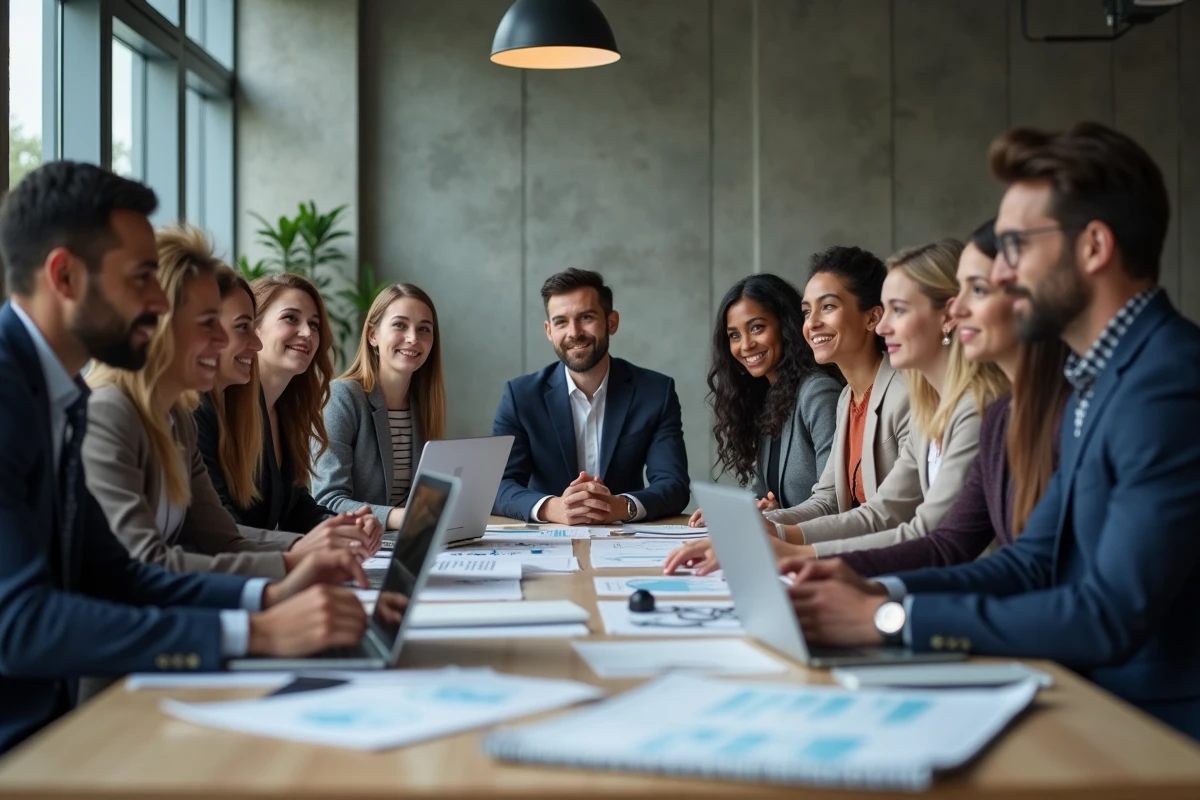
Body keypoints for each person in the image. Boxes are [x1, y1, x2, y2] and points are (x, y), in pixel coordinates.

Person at [785, 122, 1200, 740]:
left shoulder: (1167, 380)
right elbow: (1034, 561)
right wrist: (871, 585)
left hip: (1148, 727)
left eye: (1015, 247)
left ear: (1093, 247)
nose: (1000, 277)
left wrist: (889, 618)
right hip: (1081, 697)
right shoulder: (1103, 374)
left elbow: (1108, 614)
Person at [0, 162, 369, 755]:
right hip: (38, 743)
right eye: (143, 278)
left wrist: (271, 597)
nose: (157, 302)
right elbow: (18, 626)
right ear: (64, 276)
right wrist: (253, 629)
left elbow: (114, 573)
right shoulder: (28, 399)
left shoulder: (57, 396)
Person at [666, 239, 1009, 574]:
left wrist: (795, 551)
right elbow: (841, 502)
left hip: (939, 584)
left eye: (898, 310)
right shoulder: (864, 398)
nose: (811, 323)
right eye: (806, 311)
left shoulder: (948, 402)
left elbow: (912, 527)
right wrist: (767, 529)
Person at [83, 224, 377, 579]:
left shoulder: (179, 421)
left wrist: (316, 548)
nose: (249, 345)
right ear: (162, 322)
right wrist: (295, 562)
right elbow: (143, 563)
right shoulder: (106, 413)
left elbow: (222, 539)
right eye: (211, 324)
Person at [836, 220, 1070, 577]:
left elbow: (942, 543)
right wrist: (797, 554)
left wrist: (803, 557)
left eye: (977, 289)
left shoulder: (987, 409)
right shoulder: (995, 414)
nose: (882, 328)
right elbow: (946, 543)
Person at [690, 246, 910, 527]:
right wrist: (745, 516)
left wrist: (773, 528)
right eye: (807, 311)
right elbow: (827, 499)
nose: (813, 322)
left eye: (828, 306)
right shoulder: (845, 399)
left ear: (872, 317)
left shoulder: (834, 393)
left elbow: (888, 517)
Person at [491, 268, 689, 523]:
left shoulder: (655, 392)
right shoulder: (520, 397)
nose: (574, 332)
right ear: (549, 331)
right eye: (561, 321)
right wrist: (553, 508)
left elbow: (674, 485)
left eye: (586, 317)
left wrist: (621, 506)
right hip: (548, 541)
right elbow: (498, 485)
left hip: (626, 541)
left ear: (612, 322)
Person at [695, 274, 841, 516]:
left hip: (817, 548)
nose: (746, 345)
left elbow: (834, 501)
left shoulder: (818, 393)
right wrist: (728, 512)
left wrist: (777, 515)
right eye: (734, 335)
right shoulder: (770, 396)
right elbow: (764, 492)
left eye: (757, 328)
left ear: (786, 326)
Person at [206, 273, 337, 532]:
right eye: (291, 318)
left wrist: (340, 526)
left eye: (314, 325)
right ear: (256, 326)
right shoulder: (213, 405)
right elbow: (219, 527)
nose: (307, 333)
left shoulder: (286, 410)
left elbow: (294, 505)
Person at [312, 284, 447, 529]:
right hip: (355, 546)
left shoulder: (424, 405)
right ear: (373, 335)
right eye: (400, 325)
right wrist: (403, 517)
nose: (413, 338)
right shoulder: (342, 397)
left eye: (424, 329)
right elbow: (327, 500)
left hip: (404, 543)